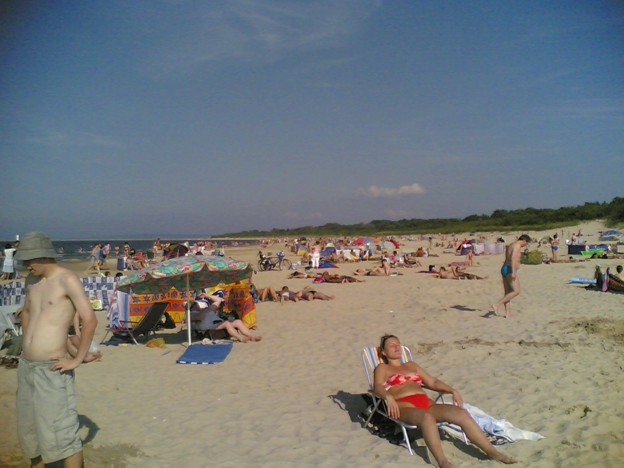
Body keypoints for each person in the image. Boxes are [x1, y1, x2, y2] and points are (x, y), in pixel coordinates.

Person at [15, 232, 98, 468]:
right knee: (29, 431)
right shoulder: (31, 280)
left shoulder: (67, 279)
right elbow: (28, 312)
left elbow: (89, 319)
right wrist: (26, 343)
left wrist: (77, 359)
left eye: (27, 260)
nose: (25, 265)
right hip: (27, 366)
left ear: (41, 256)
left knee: (62, 435)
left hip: (52, 369)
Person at [374, 335, 517, 467]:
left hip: (427, 404)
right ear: (384, 352)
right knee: (427, 418)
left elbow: (432, 382)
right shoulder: (383, 368)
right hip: (403, 407)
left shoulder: (412, 365)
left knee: (461, 413)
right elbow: (377, 387)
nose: (397, 346)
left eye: (398, 343)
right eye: (391, 344)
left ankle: (493, 452)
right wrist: (388, 397)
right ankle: (443, 462)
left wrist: (452, 390)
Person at [191, 290, 261, 342]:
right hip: (210, 328)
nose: (197, 305)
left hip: (218, 323)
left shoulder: (206, 309)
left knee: (238, 321)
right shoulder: (191, 314)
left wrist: (207, 296)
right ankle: (240, 338)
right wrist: (207, 309)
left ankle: (251, 336)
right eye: (195, 304)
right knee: (227, 323)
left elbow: (218, 300)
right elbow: (200, 317)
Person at [492, 234, 531, 318]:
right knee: (516, 291)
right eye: (527, 243)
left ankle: (507, 313)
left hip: (505, 268)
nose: (526, 245)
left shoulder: (511, 245)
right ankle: (497, 304)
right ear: (524, 241)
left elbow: (507, 257)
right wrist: (513, 272)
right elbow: (513, 258)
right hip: (510, 269)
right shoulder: (517, 246)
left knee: (508, 292)